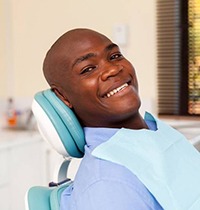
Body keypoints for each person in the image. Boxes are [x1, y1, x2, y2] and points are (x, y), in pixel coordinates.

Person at [42, 28, 199, 210]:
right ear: (63, 97)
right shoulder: (108, 185)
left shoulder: (153, 130)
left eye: (114, 56)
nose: (113, 69)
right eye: (88, 69)